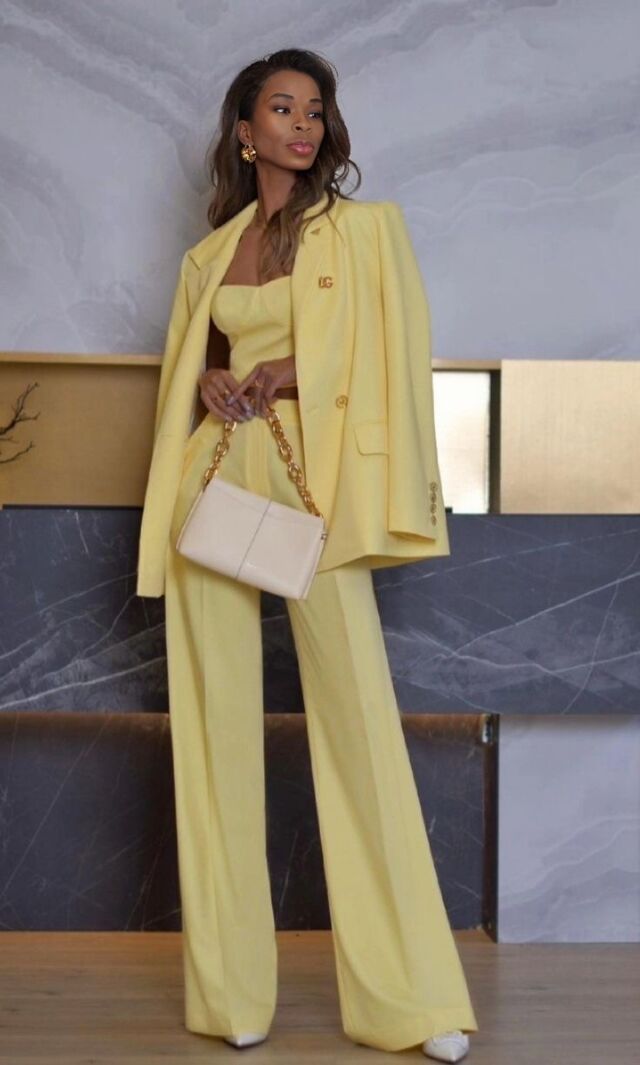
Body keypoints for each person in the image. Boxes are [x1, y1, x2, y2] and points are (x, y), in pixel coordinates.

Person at [136, 48, 479, 1061]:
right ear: (245, 134)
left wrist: (290, 369)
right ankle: (231, 993)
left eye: (314, 109)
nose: (301, 123)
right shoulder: (210, 255)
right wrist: (215, 380)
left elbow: (388, 352)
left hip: (310, 475)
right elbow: (198, 365)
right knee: (212, 730)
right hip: (215, 473)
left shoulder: (364, 233)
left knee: (356, 716)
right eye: (281, 108)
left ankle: (411, 1000)